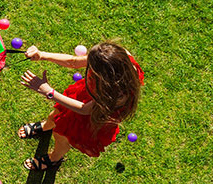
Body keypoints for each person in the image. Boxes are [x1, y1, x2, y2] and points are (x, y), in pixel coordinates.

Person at [17, 42, 144, 170]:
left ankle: (54, 158)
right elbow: (74, 62)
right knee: (55, 115)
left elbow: (85, 109)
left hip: (93, 116)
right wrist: (42, 55)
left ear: (104, 78)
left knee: (62, 136)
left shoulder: (117, 94)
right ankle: (46, 126)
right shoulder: (116, 57)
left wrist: (49, 92)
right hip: (86, 97)